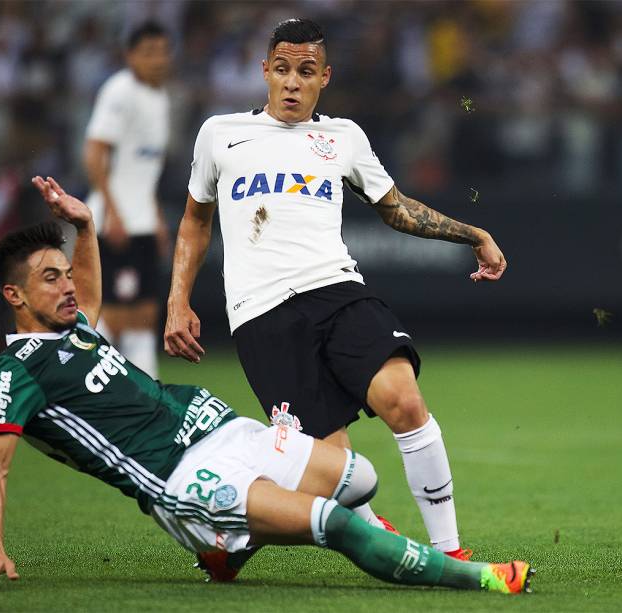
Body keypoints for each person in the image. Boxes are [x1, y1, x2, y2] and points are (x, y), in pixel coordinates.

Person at [0, 176, 533, 595]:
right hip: (183, 477)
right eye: (50, 278)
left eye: (65, 274)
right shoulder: (15, 372)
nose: (68, 287)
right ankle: (478, 577)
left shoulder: (74, 329)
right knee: (336, 524)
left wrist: (85, 226)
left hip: (221, 427)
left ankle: (229, 552)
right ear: (14, 295)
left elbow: (91, 292)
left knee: (360, 477)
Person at [164, 19, 508, 559]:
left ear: (324, 77)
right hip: (261, 314)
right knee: (335, 470)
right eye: (282, 69)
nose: (292, 82)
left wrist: (474, 234)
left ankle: (450, 551)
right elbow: (194, 220)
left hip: (337, 290)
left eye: (306, 71)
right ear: (265, 72)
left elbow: (396, 208)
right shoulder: (219, 133)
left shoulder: (343, 137)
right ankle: (247, 538)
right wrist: (177, 300)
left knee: (404, 400)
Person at [82, 21, 171, 378]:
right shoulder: (120, 91)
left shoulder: (160, 97)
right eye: (148, 52)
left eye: (162, 52)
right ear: (130, 56)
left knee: (146, 314)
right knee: (114, 315)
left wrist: (156, 217)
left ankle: (146, 391)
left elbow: (145, 168)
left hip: (142, 220)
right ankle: (91, 387)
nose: (157, 60)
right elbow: (94, 153)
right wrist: (112, 213)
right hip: (114, 222)